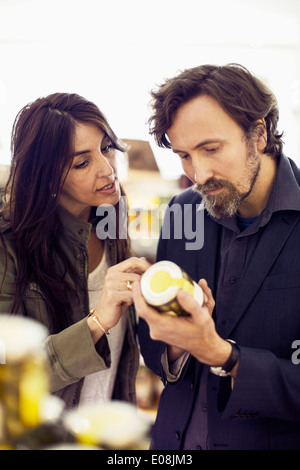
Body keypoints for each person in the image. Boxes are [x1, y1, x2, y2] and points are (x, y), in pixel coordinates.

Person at [134, 63, 300, 450]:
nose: (199, 174)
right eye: (184, 155)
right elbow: (155, 345)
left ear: (258, 134)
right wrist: (176, 339)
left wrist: (222, 355)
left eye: (210, 149)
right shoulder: (181, 211)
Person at [0, 93, 150, 409]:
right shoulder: (8, 246)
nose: (107, 170)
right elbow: (10, 378)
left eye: (106, 148)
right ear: (47, 177)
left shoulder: (111, 220)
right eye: (82, 162)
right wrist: (96, 323)